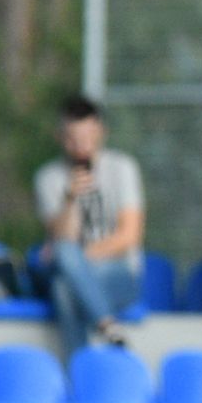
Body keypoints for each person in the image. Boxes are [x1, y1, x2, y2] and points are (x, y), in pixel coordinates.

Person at [34, 94, 144, 359]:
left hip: (119, 273)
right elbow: (62, 236)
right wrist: (70, 199)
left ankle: (77, 373)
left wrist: (74, 259)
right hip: (74, 274)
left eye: (87, 137)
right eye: (73, 138)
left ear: (101, 133)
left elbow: (129, 236)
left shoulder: (122, 168)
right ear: (61, 137)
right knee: (63, 286)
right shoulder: (48, 178)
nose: (81, 146)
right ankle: (108, 326)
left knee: (64, 270)